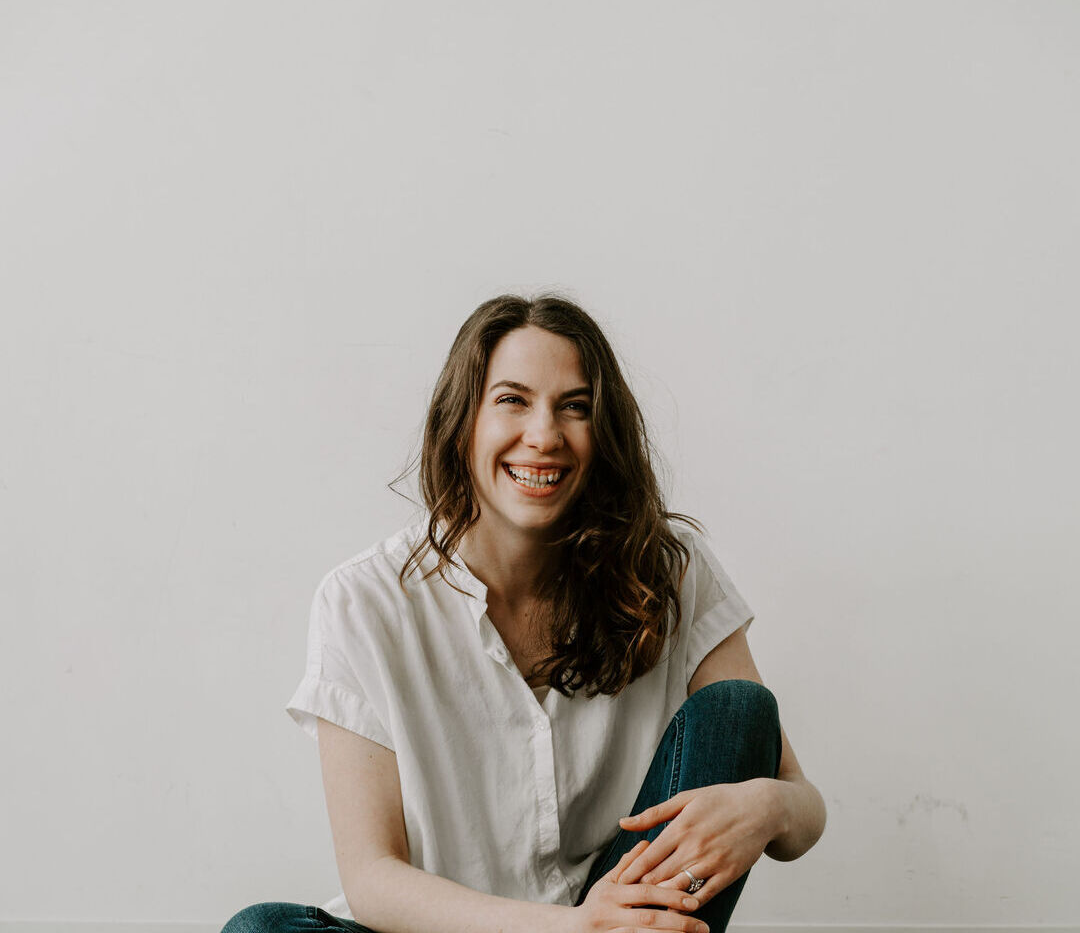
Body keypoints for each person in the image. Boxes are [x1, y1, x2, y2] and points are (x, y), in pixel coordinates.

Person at [223, 294, 826, 933]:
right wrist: (571, 929)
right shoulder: (363, 602)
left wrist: (767, 807)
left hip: (625, 922)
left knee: (738, 709)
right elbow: (372, 877)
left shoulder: (670, 571)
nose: (544, 435)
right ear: (463, 421)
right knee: (261, 930)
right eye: (512, 400)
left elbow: (802, 813)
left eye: (575, 407)